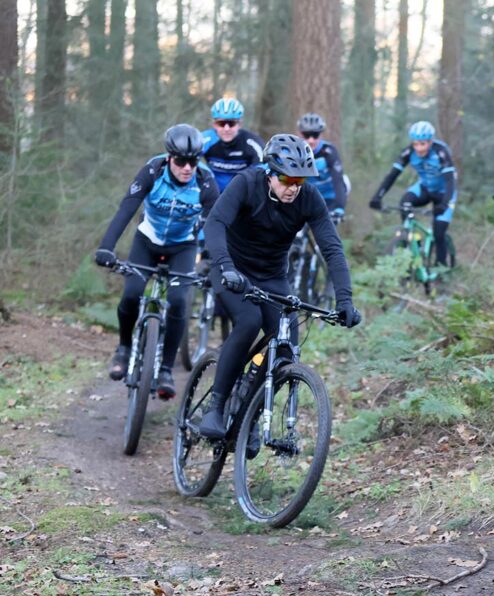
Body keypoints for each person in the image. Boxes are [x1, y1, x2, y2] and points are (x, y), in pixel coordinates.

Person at [197, 134, 361, 439]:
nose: (293, 187)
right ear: (270, 173)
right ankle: (216, 407)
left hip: (273, 277)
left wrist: (345, 300)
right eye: (286, 179)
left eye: (300, 180)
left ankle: (250, 415)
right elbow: (215, 223)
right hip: (232, 269)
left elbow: (332, 249)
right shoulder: (246, 183)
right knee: (249, 321)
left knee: (286, 347)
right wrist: (225, 266)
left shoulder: (309, 198)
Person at [94, 124, 219, 400]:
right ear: (169, 158)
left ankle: (164, 369)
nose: (187, 167)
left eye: (193, 161)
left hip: (183, 247)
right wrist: (106, 247)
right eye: (181, 161)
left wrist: (215, 263)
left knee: (178, 300)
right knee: (131, 294)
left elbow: (215, 226)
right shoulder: (153, 170)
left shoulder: (206, 182)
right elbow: (127, 208)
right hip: (146, 242)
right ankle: (124, 348)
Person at [369, 121, 457, 266]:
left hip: (445, 192)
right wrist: (378, 196)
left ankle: (441, 269)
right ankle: (412, 242)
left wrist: (444, 204)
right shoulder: (409, 152)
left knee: (439, 232)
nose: (419, 148)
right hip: (425, 187)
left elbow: (450, 182)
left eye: (423, 144)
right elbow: (392, 175)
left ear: (430, 141)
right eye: (415, 144)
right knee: (405, 203)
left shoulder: (441, 151)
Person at [201, 97, 266, 192]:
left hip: (241, 192)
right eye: (221, 123)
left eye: (231, 123)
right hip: (213, 192)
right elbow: (189, 160)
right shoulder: (205, 139)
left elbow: (263, 167)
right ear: (214, 125)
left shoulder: (252, 142)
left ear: (239, 124)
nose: (226, 129)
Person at [296, 112, 348, 222]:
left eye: (315, 135)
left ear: (321, 134)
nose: (311, 140)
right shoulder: (294, 151)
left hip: (329, 197)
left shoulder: (329, 152)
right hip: (306, 197)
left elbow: (338, 180)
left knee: (325, 233)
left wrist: (339, 208)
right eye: (306, 135)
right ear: (300, 134)